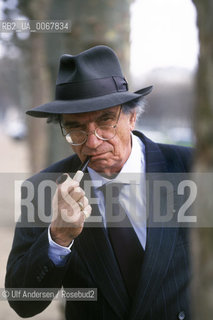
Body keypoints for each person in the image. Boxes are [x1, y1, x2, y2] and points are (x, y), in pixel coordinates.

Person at [5, 45, 193, 320]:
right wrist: (58, 238)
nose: (92, 142)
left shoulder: (189, 168)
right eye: (76, 127)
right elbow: (23, 302)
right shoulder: (42, 190)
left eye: (105, 120)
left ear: (132, 116)